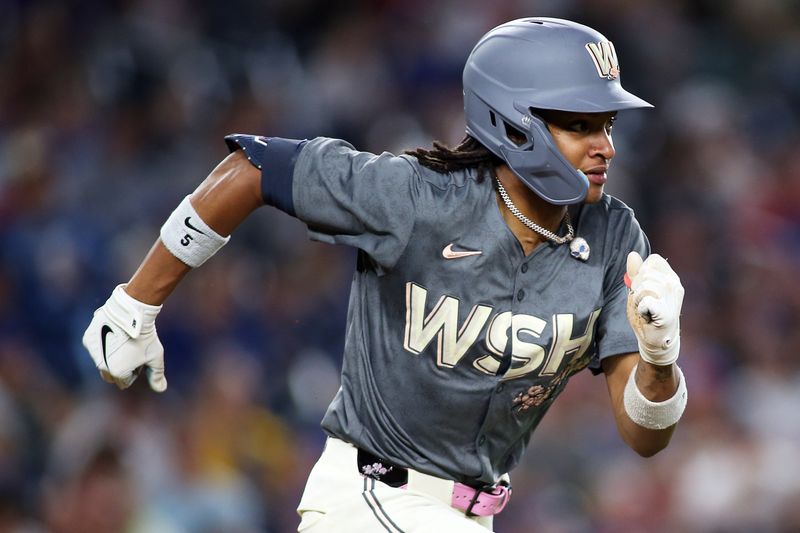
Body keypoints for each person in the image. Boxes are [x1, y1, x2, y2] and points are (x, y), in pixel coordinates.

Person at [82, 17, 687, 532]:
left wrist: (660, 362)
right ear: (514, 120)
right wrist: (136, 303)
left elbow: (644, 436)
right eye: (579, 125)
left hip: (473, 515)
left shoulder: (614, 236)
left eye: (607, 125)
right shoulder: (418, 197)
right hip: (370, 501)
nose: (605, 145)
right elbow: (253, 169)